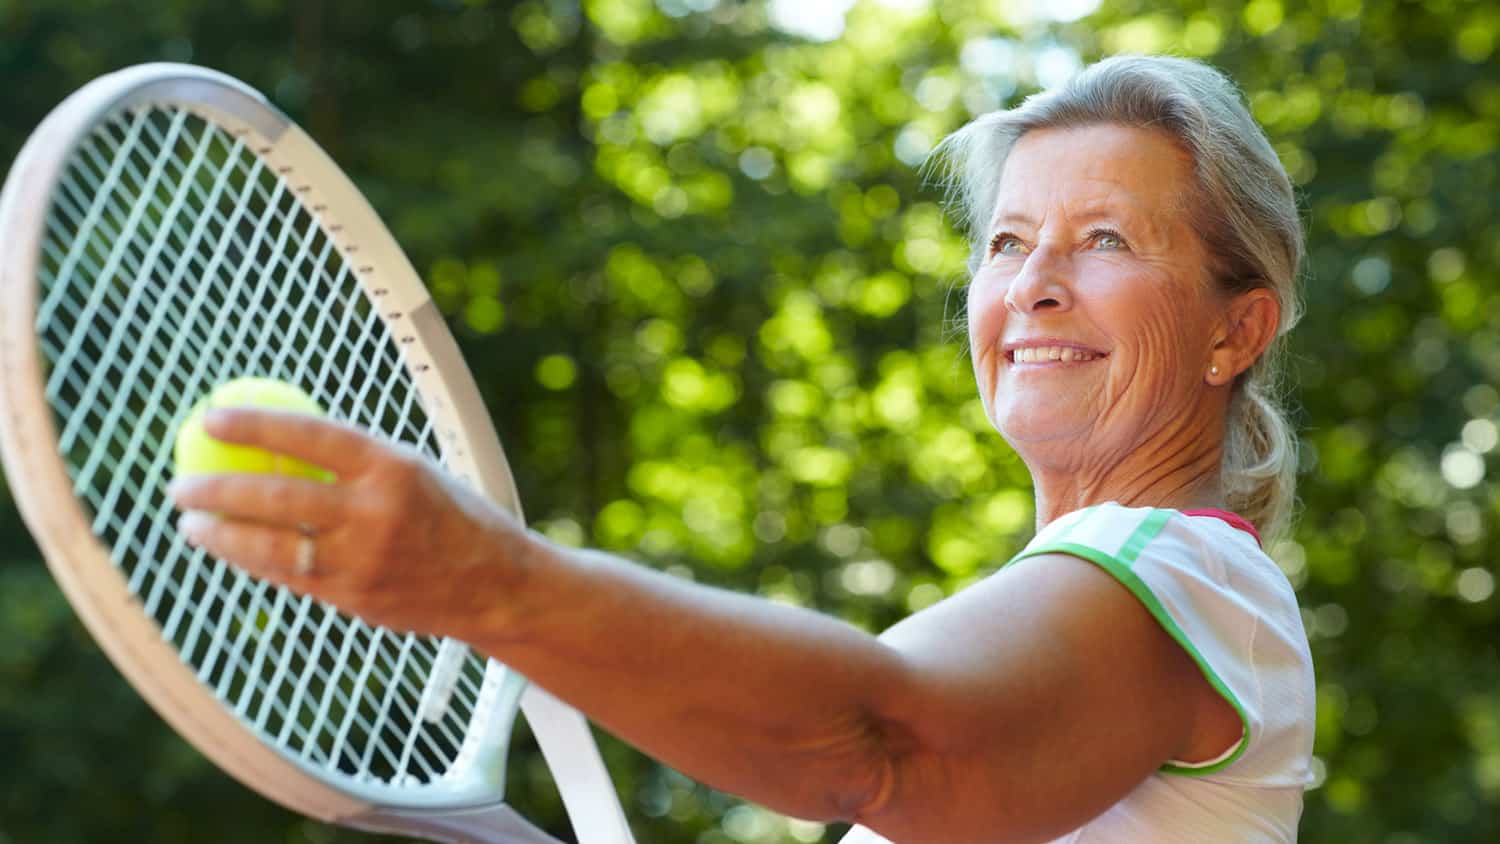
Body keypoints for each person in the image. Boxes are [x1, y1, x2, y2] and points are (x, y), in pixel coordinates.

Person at [169, 55, 1315, 843]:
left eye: (1104, 238)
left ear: (1236, 328)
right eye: (1008, 240)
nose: (1033, 286)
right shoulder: (1113, 609)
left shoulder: (1190, 576)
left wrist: (485, 583)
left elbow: (884, 739)